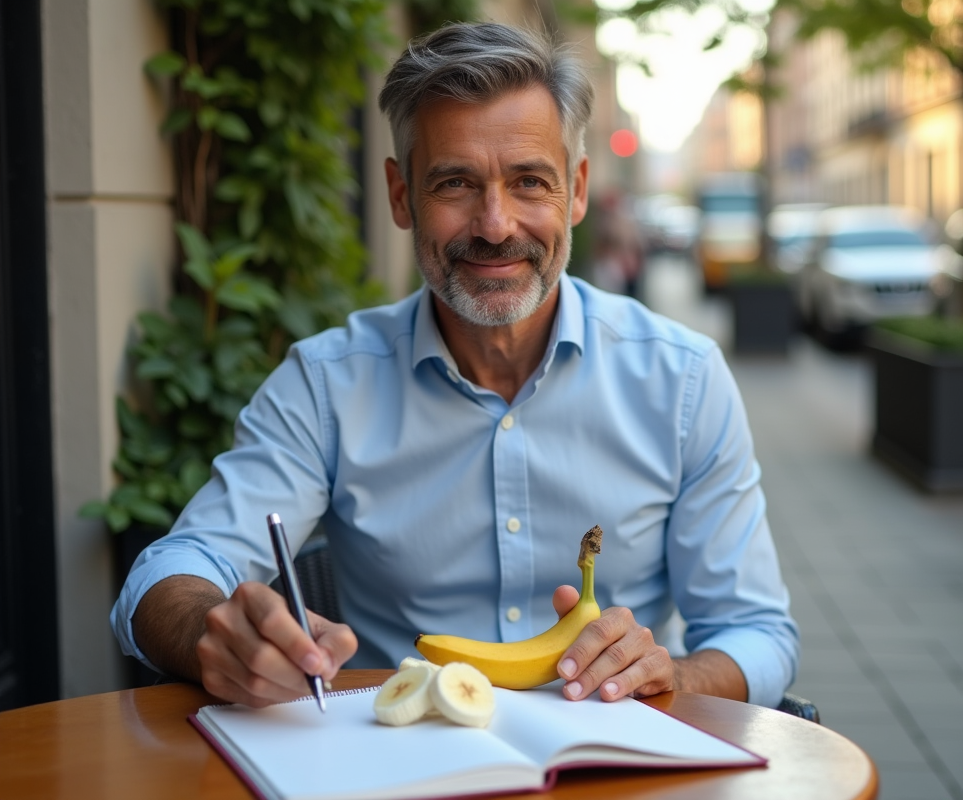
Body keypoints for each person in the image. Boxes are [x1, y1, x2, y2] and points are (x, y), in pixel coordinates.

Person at [111, 22, 798, 711]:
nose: (496, 224)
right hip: (398, 763)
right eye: (455, 183)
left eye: (530, 181)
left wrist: (675, 674)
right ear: (401, 195)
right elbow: (169, 572)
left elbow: (757, 632)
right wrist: (214, 632)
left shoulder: (683, 380)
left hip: (614, 763)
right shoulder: (326, 385)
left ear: (578, 190)